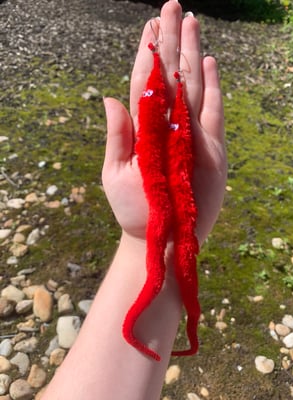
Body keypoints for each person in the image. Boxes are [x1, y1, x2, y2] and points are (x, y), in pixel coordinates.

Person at [41, 0, 227, 399]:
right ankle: (176, 334)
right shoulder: (152, 104)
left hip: (178, 185)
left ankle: (182, 335)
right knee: (164, 251)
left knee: (171, 255)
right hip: (162, 194)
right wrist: (142, 239)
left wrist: (145, 240)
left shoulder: (174, 120)